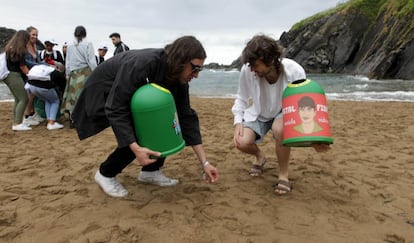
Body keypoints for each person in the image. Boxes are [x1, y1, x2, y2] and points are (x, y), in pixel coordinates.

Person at [72, 35, 219, 198]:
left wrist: (205, 163)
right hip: (104, 89)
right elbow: (116, 107)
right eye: (195, 68)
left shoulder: (178, 78)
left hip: (129, 95)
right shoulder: (145, 63)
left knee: (165, 121)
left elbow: (186, 116)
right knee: (139, 133)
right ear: (181, 60)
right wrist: (135, 148)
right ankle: (105, 174)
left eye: (200, 70)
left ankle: (150, 171)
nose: (196, 75)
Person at [231, 34, 330, 195]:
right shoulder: (248, 71)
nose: (252, 69)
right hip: (259, 112)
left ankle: (283, 175)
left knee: (280, 129)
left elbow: (304, 104)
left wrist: (315, 140)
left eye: (255, 64)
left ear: (270, 59)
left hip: (284, 111)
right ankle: (260, 156)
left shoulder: (295, 71)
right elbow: (241, 98)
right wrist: (238, 122)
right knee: (241, 141)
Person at [61, 25, 97, 127]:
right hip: (85, 72)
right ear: (85, 34)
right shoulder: (88, 44)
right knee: (84, 96)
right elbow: (91, 61)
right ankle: (83, 119)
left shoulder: (70, 45)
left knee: (73, 98)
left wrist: (67, 74)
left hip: (73, 73)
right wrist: (96, 72)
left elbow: (67, 61)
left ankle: (73, 119)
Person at [2, 30, 31, 131]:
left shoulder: (10, 48)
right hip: (14, 76)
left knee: (17, 99)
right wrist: (32, 75)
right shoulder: (20, 50)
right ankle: (17, 123)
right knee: (24, 99)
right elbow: (23, 67)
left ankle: (16, 121)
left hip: (8, 76)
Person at [23, 26, 45, 126]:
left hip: (35, 74)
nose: (35, 37)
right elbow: (26, 62)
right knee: (30, 95)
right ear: (28, 35)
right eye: (33, 34)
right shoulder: (24, 47)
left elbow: (39, 61)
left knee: (34, 94)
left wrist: (45, 65)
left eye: (36, 35)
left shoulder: (35, 47)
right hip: (27, 73)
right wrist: (39, 66)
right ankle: (27, 116)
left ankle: (32, 114)